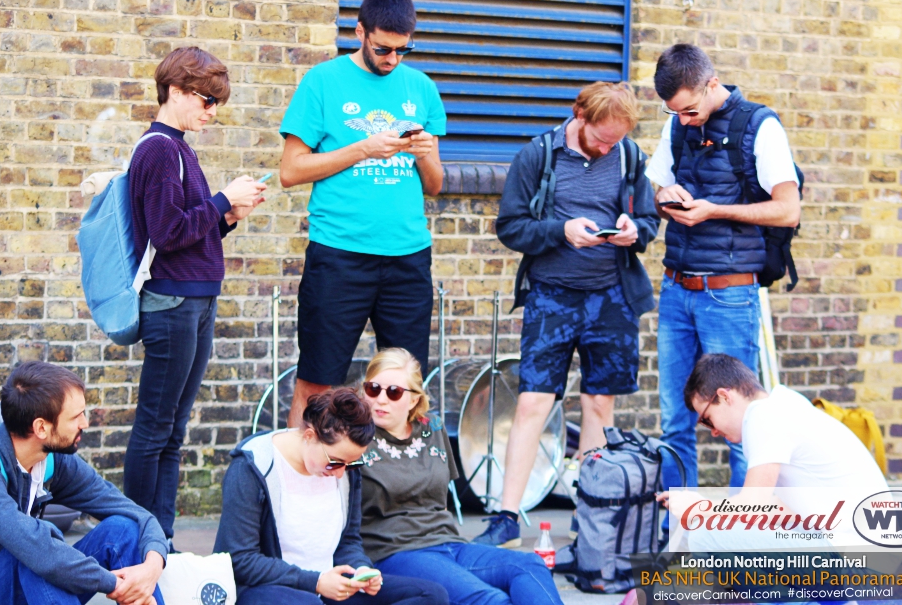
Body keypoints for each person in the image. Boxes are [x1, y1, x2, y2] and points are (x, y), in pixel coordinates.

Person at [478, 81, 660, 547]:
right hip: (552, 296)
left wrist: (631, 230)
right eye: (601, 138)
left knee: (599, 405)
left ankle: (591, 521)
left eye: (615, 140)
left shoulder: (629, 156)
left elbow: (650, 222)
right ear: (579, 115)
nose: (607, 147)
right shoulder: (538, 155)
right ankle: (506, 515)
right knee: (534, 402)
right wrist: (562, 231)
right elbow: (511, 227)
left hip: (612, 298)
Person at [279, 0, 446, 426]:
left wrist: (425, 152)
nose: (393, 58)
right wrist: (364, 149)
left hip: (407, 257)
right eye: (383, 48)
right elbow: (291, 170)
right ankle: (298, 486)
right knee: (318, 384)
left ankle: (398, 491)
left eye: (403, 48)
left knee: (405, 386)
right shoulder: (323, 81)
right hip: (339, 255)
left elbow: (435, 185)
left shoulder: (421, 88)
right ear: (360, 32)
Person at [123, 46, 267, 545]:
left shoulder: (179, 146)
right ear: (178, 91)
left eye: (215, 104)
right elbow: (165, 233)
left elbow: (190, 236)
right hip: (173, 303)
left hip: (194, 297)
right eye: (206, 101)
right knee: (156, 428)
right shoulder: (159, 148)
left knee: (174, 429)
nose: (211, 112)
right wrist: (222, 200)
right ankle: (140, 537)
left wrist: (226, 217)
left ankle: (159, 537)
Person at [646, 44, 801, 494]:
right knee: (675, 422)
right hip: (677, 288)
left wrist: (713, 210)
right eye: (676, 113)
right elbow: (656, 191)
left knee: (744, 427)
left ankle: (738, 544)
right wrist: (667, 200)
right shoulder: (676, 122)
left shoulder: (760, 126)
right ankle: (683, 537)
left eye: (691, 110)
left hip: (729, 295)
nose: (685, 121)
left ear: (712, 84)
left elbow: (788, 210)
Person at [358, 348, 564, 605]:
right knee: (490, 599)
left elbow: (440, 498)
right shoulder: (356, 438)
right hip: (396, 552)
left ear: (413, 400)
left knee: (529, 565)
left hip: (449, 543)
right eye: (373, 389)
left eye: (394, 392)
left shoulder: (432, 427)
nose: (380, 399)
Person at [213, 387, 449, 605]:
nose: (339, 474)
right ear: (309, 436)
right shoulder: (253, 466)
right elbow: (239, 559)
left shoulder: (346, 471)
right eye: (334, 462)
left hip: (332, 586)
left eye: (351, 463)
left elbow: (348, 542)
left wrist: (361, 570)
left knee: (431, 595)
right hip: (268, 588)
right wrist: (315, 582)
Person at [658, 353, 887, 549]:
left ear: (724, 397)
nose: (713, 432)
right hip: (873, 551)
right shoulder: (784, 404)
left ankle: (809, 602)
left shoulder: (764, 416)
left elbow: (751, 505)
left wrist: (699, 508)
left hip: (857, 555)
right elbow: (780, 510)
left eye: (707, 419)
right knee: (721, 528)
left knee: (706, 537)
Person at [0, 361, 168, 605]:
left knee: (123, 529)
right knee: (34, 553)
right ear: (41, 427)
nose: (85, 423)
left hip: (29, 582)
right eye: (76, 416)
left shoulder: (53, 459)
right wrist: (119, 584)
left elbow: (137, 514)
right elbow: (39, 551)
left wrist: (151, 568)